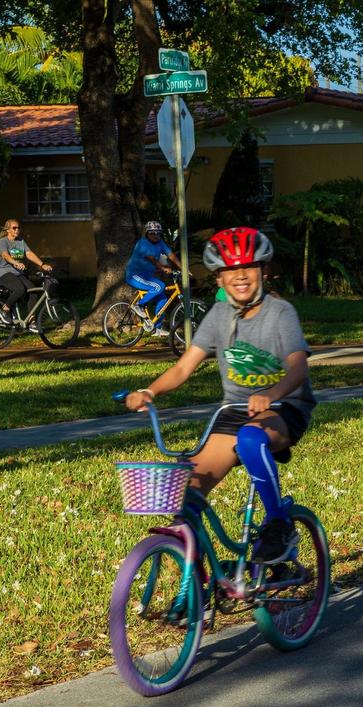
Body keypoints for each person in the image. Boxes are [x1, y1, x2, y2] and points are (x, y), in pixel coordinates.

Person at [124, 227, 316, 565]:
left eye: (249, 268)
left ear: (264, 271)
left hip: (284, 408)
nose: (240, 276)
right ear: (218, 279)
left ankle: (279, 526)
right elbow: (183, 368)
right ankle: (197, 589)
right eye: (230, 270)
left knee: (250, 439)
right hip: (235, 411)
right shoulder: (218, 316)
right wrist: (149, 391)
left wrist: (270, 394)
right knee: (186, 489)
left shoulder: (281, 312)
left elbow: (298, 368)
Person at [0, 219, 52, 330]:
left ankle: (31, 321)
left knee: (33, 291)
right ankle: (4, 310)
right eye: (14, 228)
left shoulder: (20, 241)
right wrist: (16, 263)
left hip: (18, 273)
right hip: (4, 273)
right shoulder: (3, 241)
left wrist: (42, 264)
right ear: (8, 229)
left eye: (18, 227)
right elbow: (5, 255)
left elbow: (29, 253)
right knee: (19, 289)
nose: (17, 230)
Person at [124, 221, 181, 336]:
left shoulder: (160, 243)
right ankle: (139, 305)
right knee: (159, 286)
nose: (156, 235)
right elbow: (152, 259)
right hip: (134, 275)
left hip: (147, 276)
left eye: (158, 233)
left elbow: (171, 255)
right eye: (152, 233)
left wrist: (184, 268)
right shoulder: (142, 243)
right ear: (147, 233)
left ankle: (156, 329)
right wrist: (163, 268)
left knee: (163, 299)